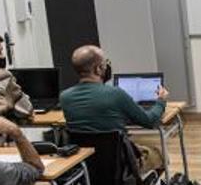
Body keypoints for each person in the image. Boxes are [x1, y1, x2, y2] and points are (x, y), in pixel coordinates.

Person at [60, 45, 168, 173]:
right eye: (105, 63)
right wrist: (161, 100)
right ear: (98, 69)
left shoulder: (65, 97)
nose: (107, 66)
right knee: (160, 156)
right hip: (120, 163)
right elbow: (150, 121)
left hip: (85, 164)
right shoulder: (116, 94)